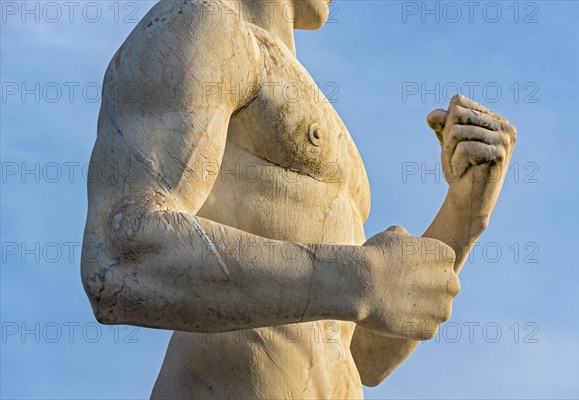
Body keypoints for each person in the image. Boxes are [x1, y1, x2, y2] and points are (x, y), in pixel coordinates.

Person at [81, 0, 517, 397]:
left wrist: (466, 211)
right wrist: (361, 278)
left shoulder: (305, 94)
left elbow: (362, 353)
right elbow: (119, 256)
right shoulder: (204, 25)